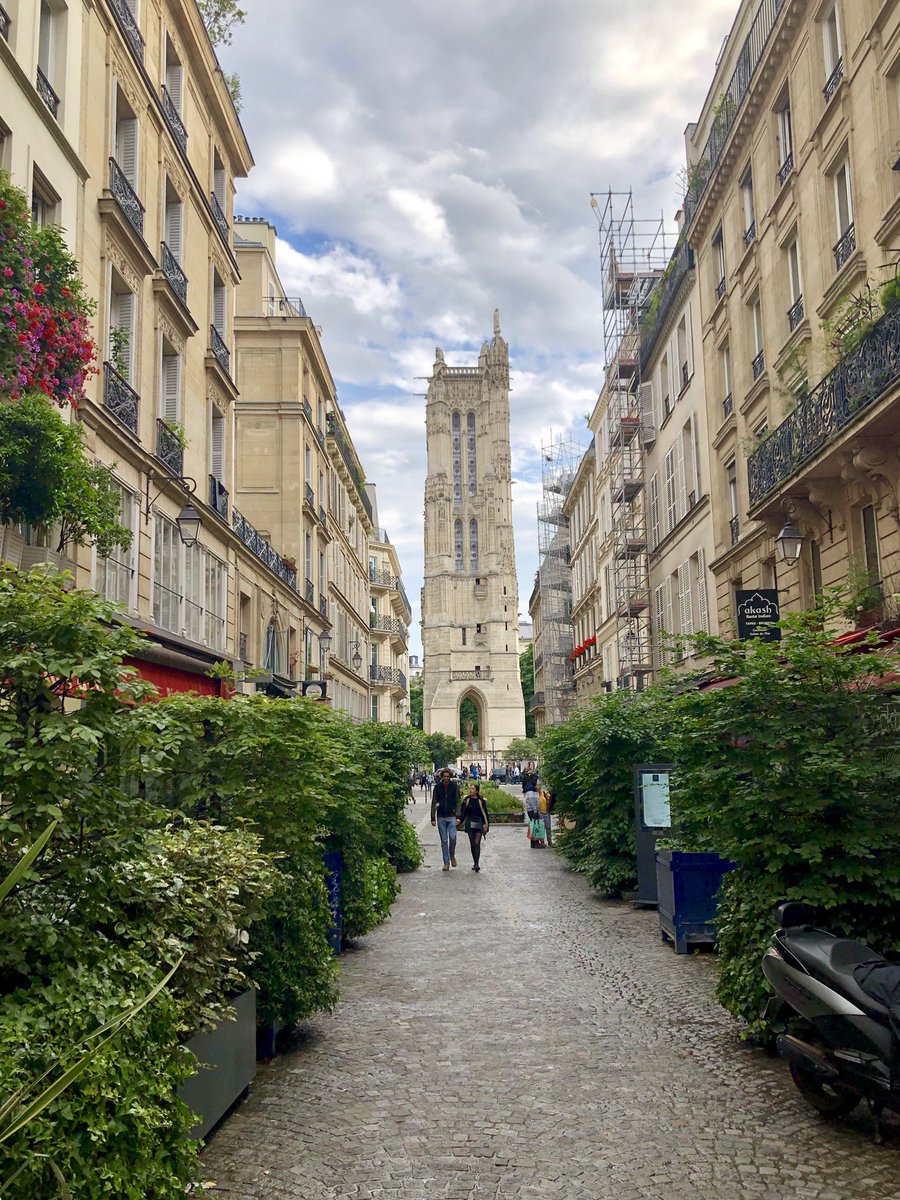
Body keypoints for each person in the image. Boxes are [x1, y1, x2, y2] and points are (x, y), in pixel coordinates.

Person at [431, 768, 460, 871]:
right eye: (444, 776)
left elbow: (458, 801)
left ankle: (452, 855)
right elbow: (434, 802)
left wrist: (458, 816)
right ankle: (446, 862)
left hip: (452, 815)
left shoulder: (454, 786)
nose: (446, 778)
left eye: (448, 776)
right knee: (444, 841)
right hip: (441, 816)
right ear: (442, 777)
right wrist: (432, 817)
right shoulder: (437, 787)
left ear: (450, 777)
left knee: (453, 837)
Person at [458, 783, 490, 872]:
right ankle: (475, 862)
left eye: (472, 789)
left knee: (477, 843)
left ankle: (477, 863)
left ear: (476, 791)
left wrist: (486, 824)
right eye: (470, 789)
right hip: (470, 822)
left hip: (479, 822)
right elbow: (463, 812)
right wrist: (459, 821)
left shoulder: (481, 801)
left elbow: (485, 813)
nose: (471, 790)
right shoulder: (467, 800)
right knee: (472, 843)